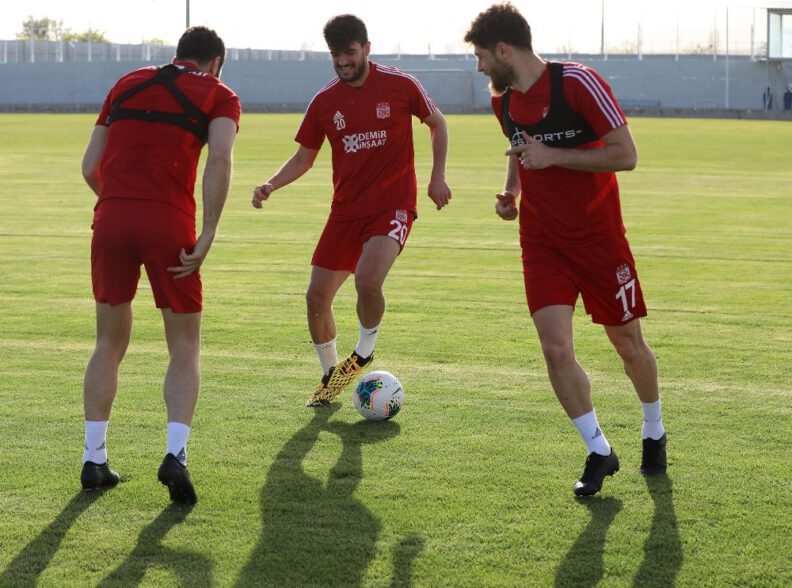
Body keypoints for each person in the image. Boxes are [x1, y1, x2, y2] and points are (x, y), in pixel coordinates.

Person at [464, 3, 666, 497]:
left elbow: (627, 155)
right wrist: (511, 191)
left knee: (628, 345)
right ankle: (599, 450)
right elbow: (520, 149)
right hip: (542, 243)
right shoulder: (503, 102)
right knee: (555, 350)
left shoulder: (577, 83)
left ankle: (654, 429)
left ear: (505, 50)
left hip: (599, 241)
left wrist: (553, 155)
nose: (480, 67)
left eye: (482, 56)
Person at [252, 14, 451, 407]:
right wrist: (271, 184)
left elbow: (437, 123)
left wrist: (437, 177)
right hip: (345, 212)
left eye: (349, 53)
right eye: (336, 55)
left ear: (366, 49)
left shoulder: (400, 84)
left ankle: (363, 352)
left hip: (392, 206)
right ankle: (331, 376)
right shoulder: (325, 102)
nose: (343, 61)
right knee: (316, 297)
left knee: (367, 279)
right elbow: (304, 157)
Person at [80, 26, 241, 504]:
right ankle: (175, 455)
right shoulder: (220, 93)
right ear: (215, 62)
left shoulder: (126, 83)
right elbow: (220, 161)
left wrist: (118, 204)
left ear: (178, 54)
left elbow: (90, 166)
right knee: (184, 345)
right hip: (168, 222)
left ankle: (94, 458)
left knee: (108, 341)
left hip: (111, 217)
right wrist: (208, 231)